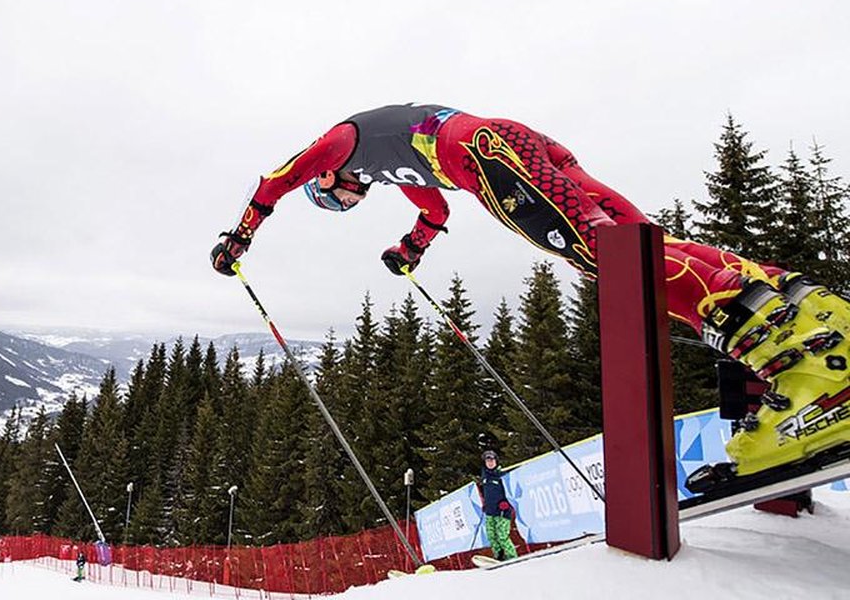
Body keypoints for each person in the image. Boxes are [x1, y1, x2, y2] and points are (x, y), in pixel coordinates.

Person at [210, 103, 850, 490]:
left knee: (612, 260)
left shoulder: (342, 141)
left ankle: (816, 370)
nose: (344, 200)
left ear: (329, 176)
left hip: (489, 153)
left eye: (335, 197)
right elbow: (433, 211)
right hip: (512, 144)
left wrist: (240, 238)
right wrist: (411, 250)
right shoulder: (393, 167)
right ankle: (802, 312)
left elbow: (276, 178)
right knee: (640, 248)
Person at [479, 450, 518, 562]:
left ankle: (512, 556)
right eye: (488, 461)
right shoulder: (485, 476)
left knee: (502, 536)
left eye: (492, 460)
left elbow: (511, 491)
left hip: (502, 511)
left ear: (496, 461)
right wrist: (486, 504)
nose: (490, 463)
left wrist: (507, 502)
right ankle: (499, 556)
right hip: (490, 511)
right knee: (491, 536)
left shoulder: (502, 475)